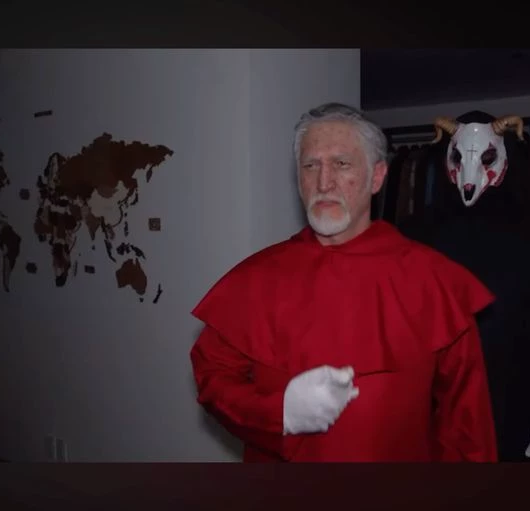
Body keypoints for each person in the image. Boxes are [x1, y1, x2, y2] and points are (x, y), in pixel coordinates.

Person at [189, 102, 498, 462]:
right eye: (311, 165)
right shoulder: (256, 278)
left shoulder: (434, 279)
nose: (324, 183)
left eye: (341, 164)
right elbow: (213, 378)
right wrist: (280, 412)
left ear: (377, 177)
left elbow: (467, 426)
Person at [398, 110, 530, 463]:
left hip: (517, 407)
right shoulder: (413, 232)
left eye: (486, 158)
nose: (470, 175)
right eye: (459, 158)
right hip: (434, 412)